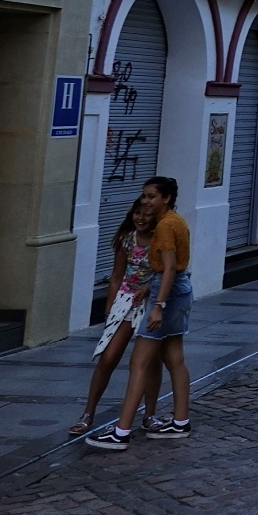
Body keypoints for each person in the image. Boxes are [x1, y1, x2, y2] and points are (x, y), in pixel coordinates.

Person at [86, 176, 193, 449]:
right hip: (178, 289)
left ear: (166, 198)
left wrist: (158, 305)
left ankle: (121, 432)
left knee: (140, 363)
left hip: (164, 291)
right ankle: (180, 421)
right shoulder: (176, 220)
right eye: (143, 196)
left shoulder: (166, 226)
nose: (145, 201)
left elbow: (167, 268)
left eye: (151, 197)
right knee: (174, 358)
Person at [72, 197, 160, 437]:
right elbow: (116, 276)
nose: (141, 218)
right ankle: (88, 413)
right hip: (126, 301)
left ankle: (149, 414)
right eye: (137, 213)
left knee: (149, 361)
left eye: (147, 214)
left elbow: (167, 274)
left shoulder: (161, 240)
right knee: (108, 357)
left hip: (150, 302)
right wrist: (109, 310)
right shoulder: (127, 240)